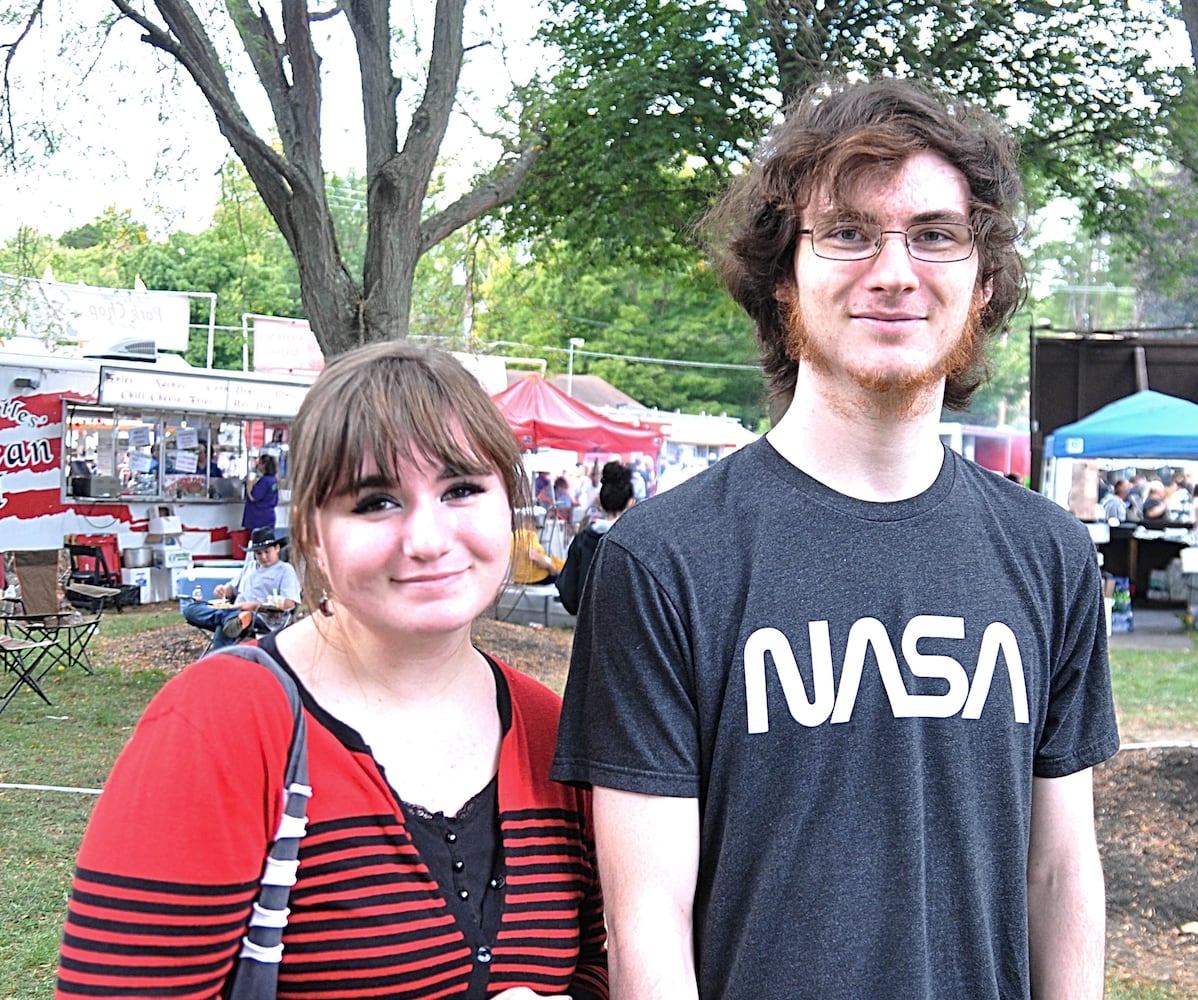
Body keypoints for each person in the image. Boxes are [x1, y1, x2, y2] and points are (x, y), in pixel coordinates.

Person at [552, 76, 1117, 1000]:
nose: (895, 271)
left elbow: (1058, 872)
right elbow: (645, 921)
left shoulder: (1048, 555)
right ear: (783, 278)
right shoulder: (661, 564)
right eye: (848, 232)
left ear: (980, 279)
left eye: (935, 234)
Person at [58, 342, 608, 999]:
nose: (428, 540)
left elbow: (601, 962)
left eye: (462, 489)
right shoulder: (223, 725)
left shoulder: (551, 733)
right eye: (376, 501)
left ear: (507, 506)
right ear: (312, 533)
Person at [180, 525, 301, 649]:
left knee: (228, 624)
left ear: (277, 548)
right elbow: (232, 589)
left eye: (267, 552)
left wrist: (253, 606)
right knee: (191, 609)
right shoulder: (250, 567)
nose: (263, 557)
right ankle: (231, 620)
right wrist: (224, 591)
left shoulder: (285, 570)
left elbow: (289, 603)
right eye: (259, 553)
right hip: (235, 612)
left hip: (260, 617)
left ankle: (230, 631)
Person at [555, 461, 635, 615]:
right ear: (631, 502)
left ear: (600, 501)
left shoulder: (583, 539)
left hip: (588, 630)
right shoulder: (636, 543)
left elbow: (568, 592)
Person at [242, 453, 281, 531]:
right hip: (269, 516)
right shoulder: (274, 480)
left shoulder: (264, 481)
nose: (257, 465)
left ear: (264, 465)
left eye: (259, 463)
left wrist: (249, 486)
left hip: (258, 518)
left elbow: (254, 497)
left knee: (257, 541)